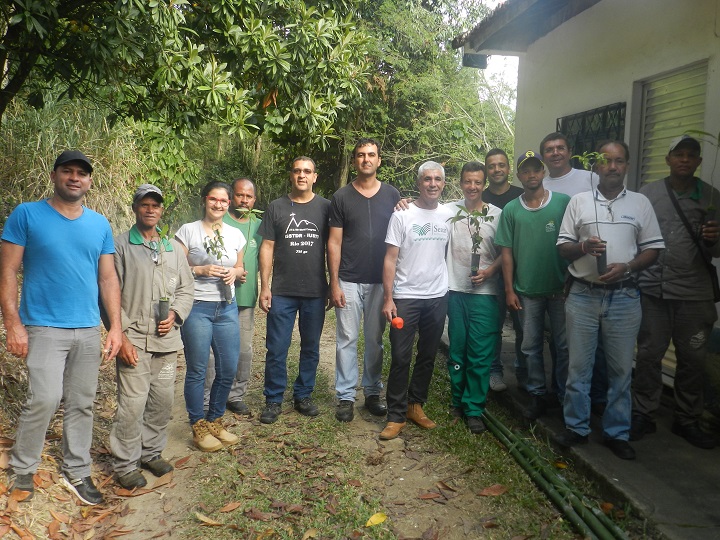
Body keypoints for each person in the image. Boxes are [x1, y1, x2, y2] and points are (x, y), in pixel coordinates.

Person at [0, 150, 122, 505]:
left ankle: (77, 471)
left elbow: (108, 277)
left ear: (89, 182)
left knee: (82, 403)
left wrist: (115, 327)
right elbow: (7, 271)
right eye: (67, 171)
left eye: (82, 173)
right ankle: (23, 467)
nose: (75, 178)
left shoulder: (99, 224)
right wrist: (13, 324)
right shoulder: (27, 214)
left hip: (86, 328)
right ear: (54, 176)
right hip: (43, 326)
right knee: (45, 398)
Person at [556, 140, 664, 460]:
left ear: (627, 165)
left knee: (620, 371)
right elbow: (562, 247)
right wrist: (583, 248)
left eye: (619, 161)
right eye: (606, 161)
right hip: (583, 296)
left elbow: (653, 249)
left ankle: (617, 432)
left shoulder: (641, 203)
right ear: (596, 166)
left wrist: (628, 266)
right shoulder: (579, 201)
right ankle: (576, 427)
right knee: (579, 367)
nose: (612, 166)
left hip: (624, 297)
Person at [631, 135, 719, 449]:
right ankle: (643, 413)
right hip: (653, 289)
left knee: (692, 359)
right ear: (668, 159)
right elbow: (634, 235)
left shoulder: (711, 198)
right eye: (678, 154)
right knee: (649, 355)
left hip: (694, 293)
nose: (684, 159)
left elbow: (718, 250)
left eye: (690, 155)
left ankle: (687, 420)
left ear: (698, 162)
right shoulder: (648, 194)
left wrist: (712, 239)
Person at [110, 185, 194, 489]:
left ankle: (151, 452)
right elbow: (109, 294)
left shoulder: (171, 248)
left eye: (155, 205)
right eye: (144, 204)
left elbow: (186, 289)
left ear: (161, 211)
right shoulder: (120, 246)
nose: (150, 209)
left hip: (167, 341)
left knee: (161, 399)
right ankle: (126, 463)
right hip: (133, 339)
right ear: (135, 208)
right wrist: (121, 338)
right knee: (132, 404)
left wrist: (174, 314)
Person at [379, 161, 454, 440]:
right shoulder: (402, 214)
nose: (432, 184)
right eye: (427, 179)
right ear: (419, 183)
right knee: (400, 356)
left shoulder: (449, 215)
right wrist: (388, 298)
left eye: (437, 179)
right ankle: (395, 415)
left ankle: (415, 405)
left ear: (443, 184)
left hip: (437, 296)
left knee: (427, 355)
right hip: (406, 297)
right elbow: (390, 258)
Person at [495, 151, 570, 421]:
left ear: (544, 172)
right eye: (525, 171)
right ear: (519, 175)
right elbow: (506, 253)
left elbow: (574, 241)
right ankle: (537, 394)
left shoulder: (563, 203)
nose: (531, 175)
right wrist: (509, 290)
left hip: (561, 290)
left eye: (536, 170)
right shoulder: (512, 210)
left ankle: (562, 395)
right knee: (530, 345)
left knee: (563, 346)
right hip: (527, 292)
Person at [329, 138, 400, 422]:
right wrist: (333, 282)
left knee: (374, 339)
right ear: (355, 160)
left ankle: (372, 391)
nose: (366, 159)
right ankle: (345, 396)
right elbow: (334, 242)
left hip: (380, 282)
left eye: (371, 155)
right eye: (360, 155)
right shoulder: (341, 197)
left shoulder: (393, 195)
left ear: (379, 160)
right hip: (348, 278)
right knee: (346, 339)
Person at [258, 157, 331, 424]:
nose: (302, 175)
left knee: (310, 346)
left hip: (315, 290)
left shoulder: (326, 207)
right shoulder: (276, 207)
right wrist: (265, 286)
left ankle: (303, 395)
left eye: (307, 171)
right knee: (277, 347)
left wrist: (333, 284)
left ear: (315, 177)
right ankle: (273, 399)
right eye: (297, 171)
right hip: (282, 290)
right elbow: (267, 246)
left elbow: (334, 246)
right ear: (291, 175)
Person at [175, 181, 246, 452]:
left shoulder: (235, 234)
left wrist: (235, 273)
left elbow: (241, 268)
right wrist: (199, 270)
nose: (218, 204)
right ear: (205, 200)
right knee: (198, 369)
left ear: (229, 204)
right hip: (197, 307)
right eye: (213, 199)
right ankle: (198, 425)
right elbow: (176, 267)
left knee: (228, 368)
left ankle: (215, 420)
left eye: (223, 201)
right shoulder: (188, 231)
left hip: (226, 307)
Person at [540, 132, 606, 415]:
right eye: (550, 149)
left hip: (589, 273)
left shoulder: (589, 179)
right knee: (560, 340)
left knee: (595, 343)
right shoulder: (538, 183)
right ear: (544, 156)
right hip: (553, 271)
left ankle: (598, 396)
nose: (555, 153)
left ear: (570, 151)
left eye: (560, 148)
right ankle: (562, 392)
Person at [446, 161, 501, 434]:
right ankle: (457, 400)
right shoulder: (448, 211)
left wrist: (490, 271)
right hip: (455, 289)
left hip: (485, 294)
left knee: (479, 354)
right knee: (457, 350)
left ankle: (474, 408)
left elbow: (507, 252)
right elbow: (422, 213)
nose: (472, 187)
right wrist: (404, 202)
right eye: (468, 181)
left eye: (478, 182)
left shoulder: (497, 214)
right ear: (460, 182)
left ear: (484, 184)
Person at [204, 177, 261, 416]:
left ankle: (236, 394)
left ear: (254, 200)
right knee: (211, 351)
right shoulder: (219, 218)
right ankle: (208, 397)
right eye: (239, 195)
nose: (244, 200)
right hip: (216, 296)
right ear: (230, 198)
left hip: (245, 297)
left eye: (249, 197)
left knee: (243, 348)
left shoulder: (260, 224)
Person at [482, 148, 525, 392]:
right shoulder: (482, 197)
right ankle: (494, 371)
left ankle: (523, 372)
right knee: (493, 326)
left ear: (509, 169)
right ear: (487, 171)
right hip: (491, 275)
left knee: (523, 327)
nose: (497, 169)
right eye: (492, 166)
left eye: (501, 165)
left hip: (522, 272)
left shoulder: (520, 196)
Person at [540, 132, 594, 196]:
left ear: (570, 153)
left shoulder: (591, 178)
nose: (555, 153)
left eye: (560, 148)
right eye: (549, 150)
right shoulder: (540, 187)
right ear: (542, 158)